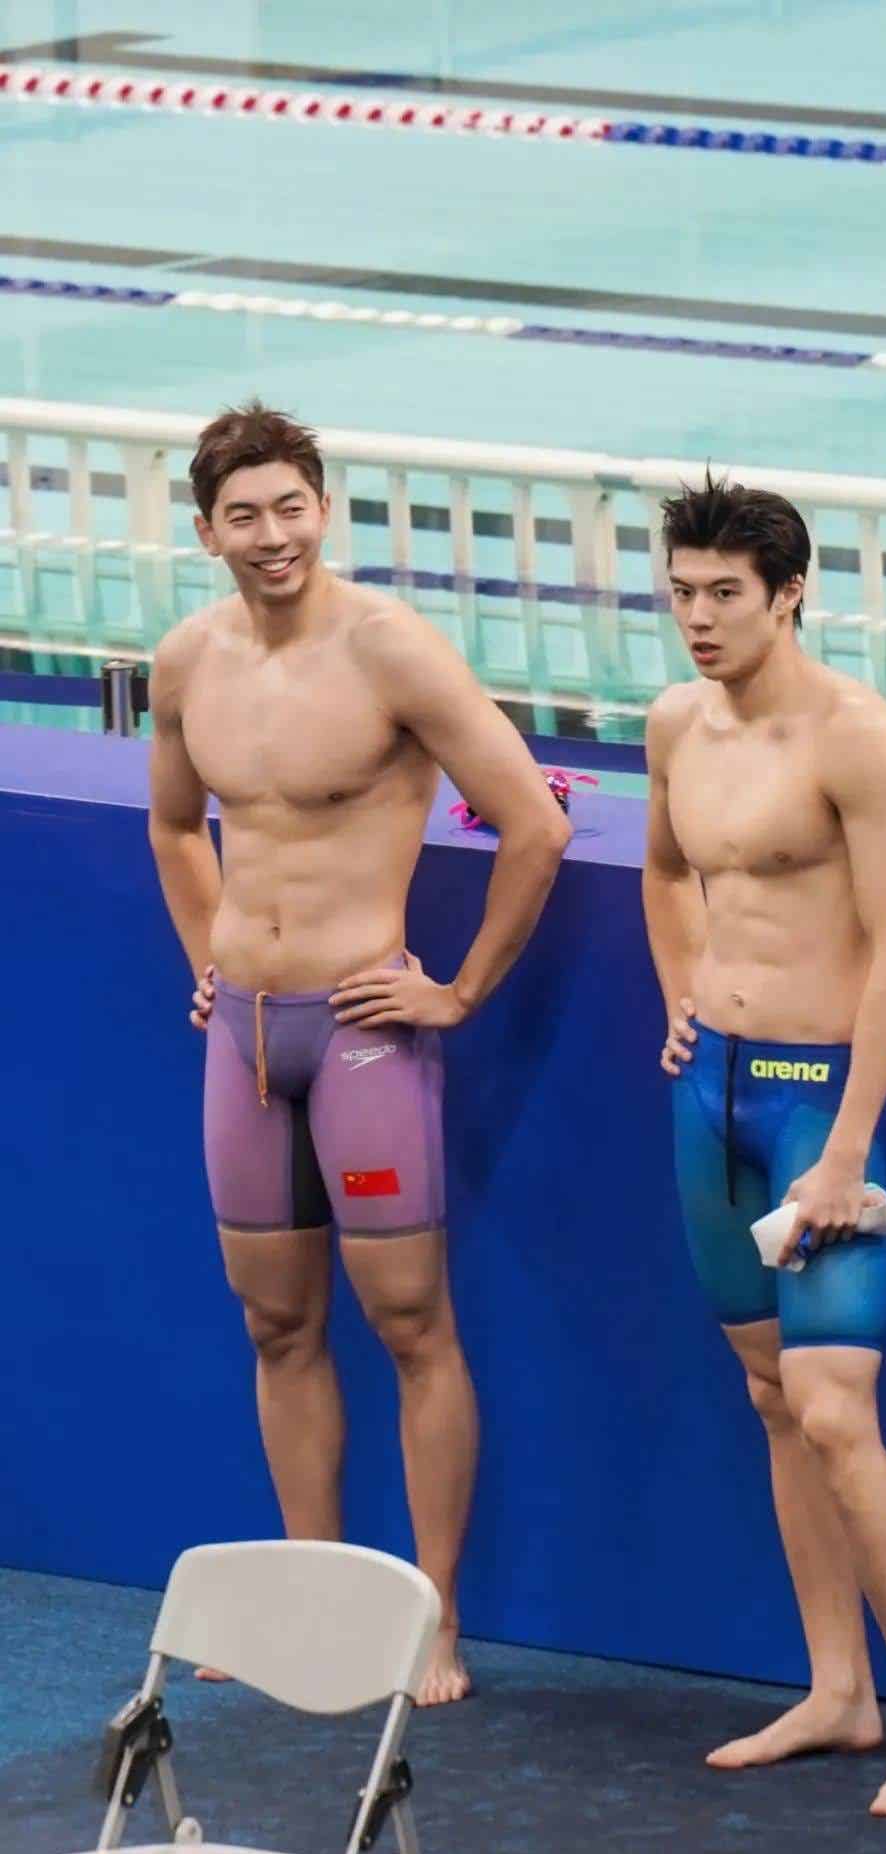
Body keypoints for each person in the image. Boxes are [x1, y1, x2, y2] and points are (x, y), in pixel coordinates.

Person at [148, 401, 570, 1704]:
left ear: (323, 509)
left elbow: (534, 824)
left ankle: (431, 1622)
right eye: (244, 515)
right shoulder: (187, 662)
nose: (272, 535)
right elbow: (174, 827)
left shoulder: (391, 650)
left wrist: (460, 991)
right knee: (277, 1324)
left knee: (409, 1323)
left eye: (291, 507)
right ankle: (309, 1612)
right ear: (206, 531)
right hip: (245, 1039)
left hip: (361, 1040)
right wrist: (208, 958)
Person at [642, 472, 886, 1816]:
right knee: (773, 1396)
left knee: (837, 1412)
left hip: (815, 1103)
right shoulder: (676, 723)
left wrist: (846, 1148)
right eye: (682, 593)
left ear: (789, 595)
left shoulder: (859, 737)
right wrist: (679, 989)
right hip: (710, 1095)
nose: (699, 618)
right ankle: (838, 1692)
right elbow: (667, 870)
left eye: (725, 594)